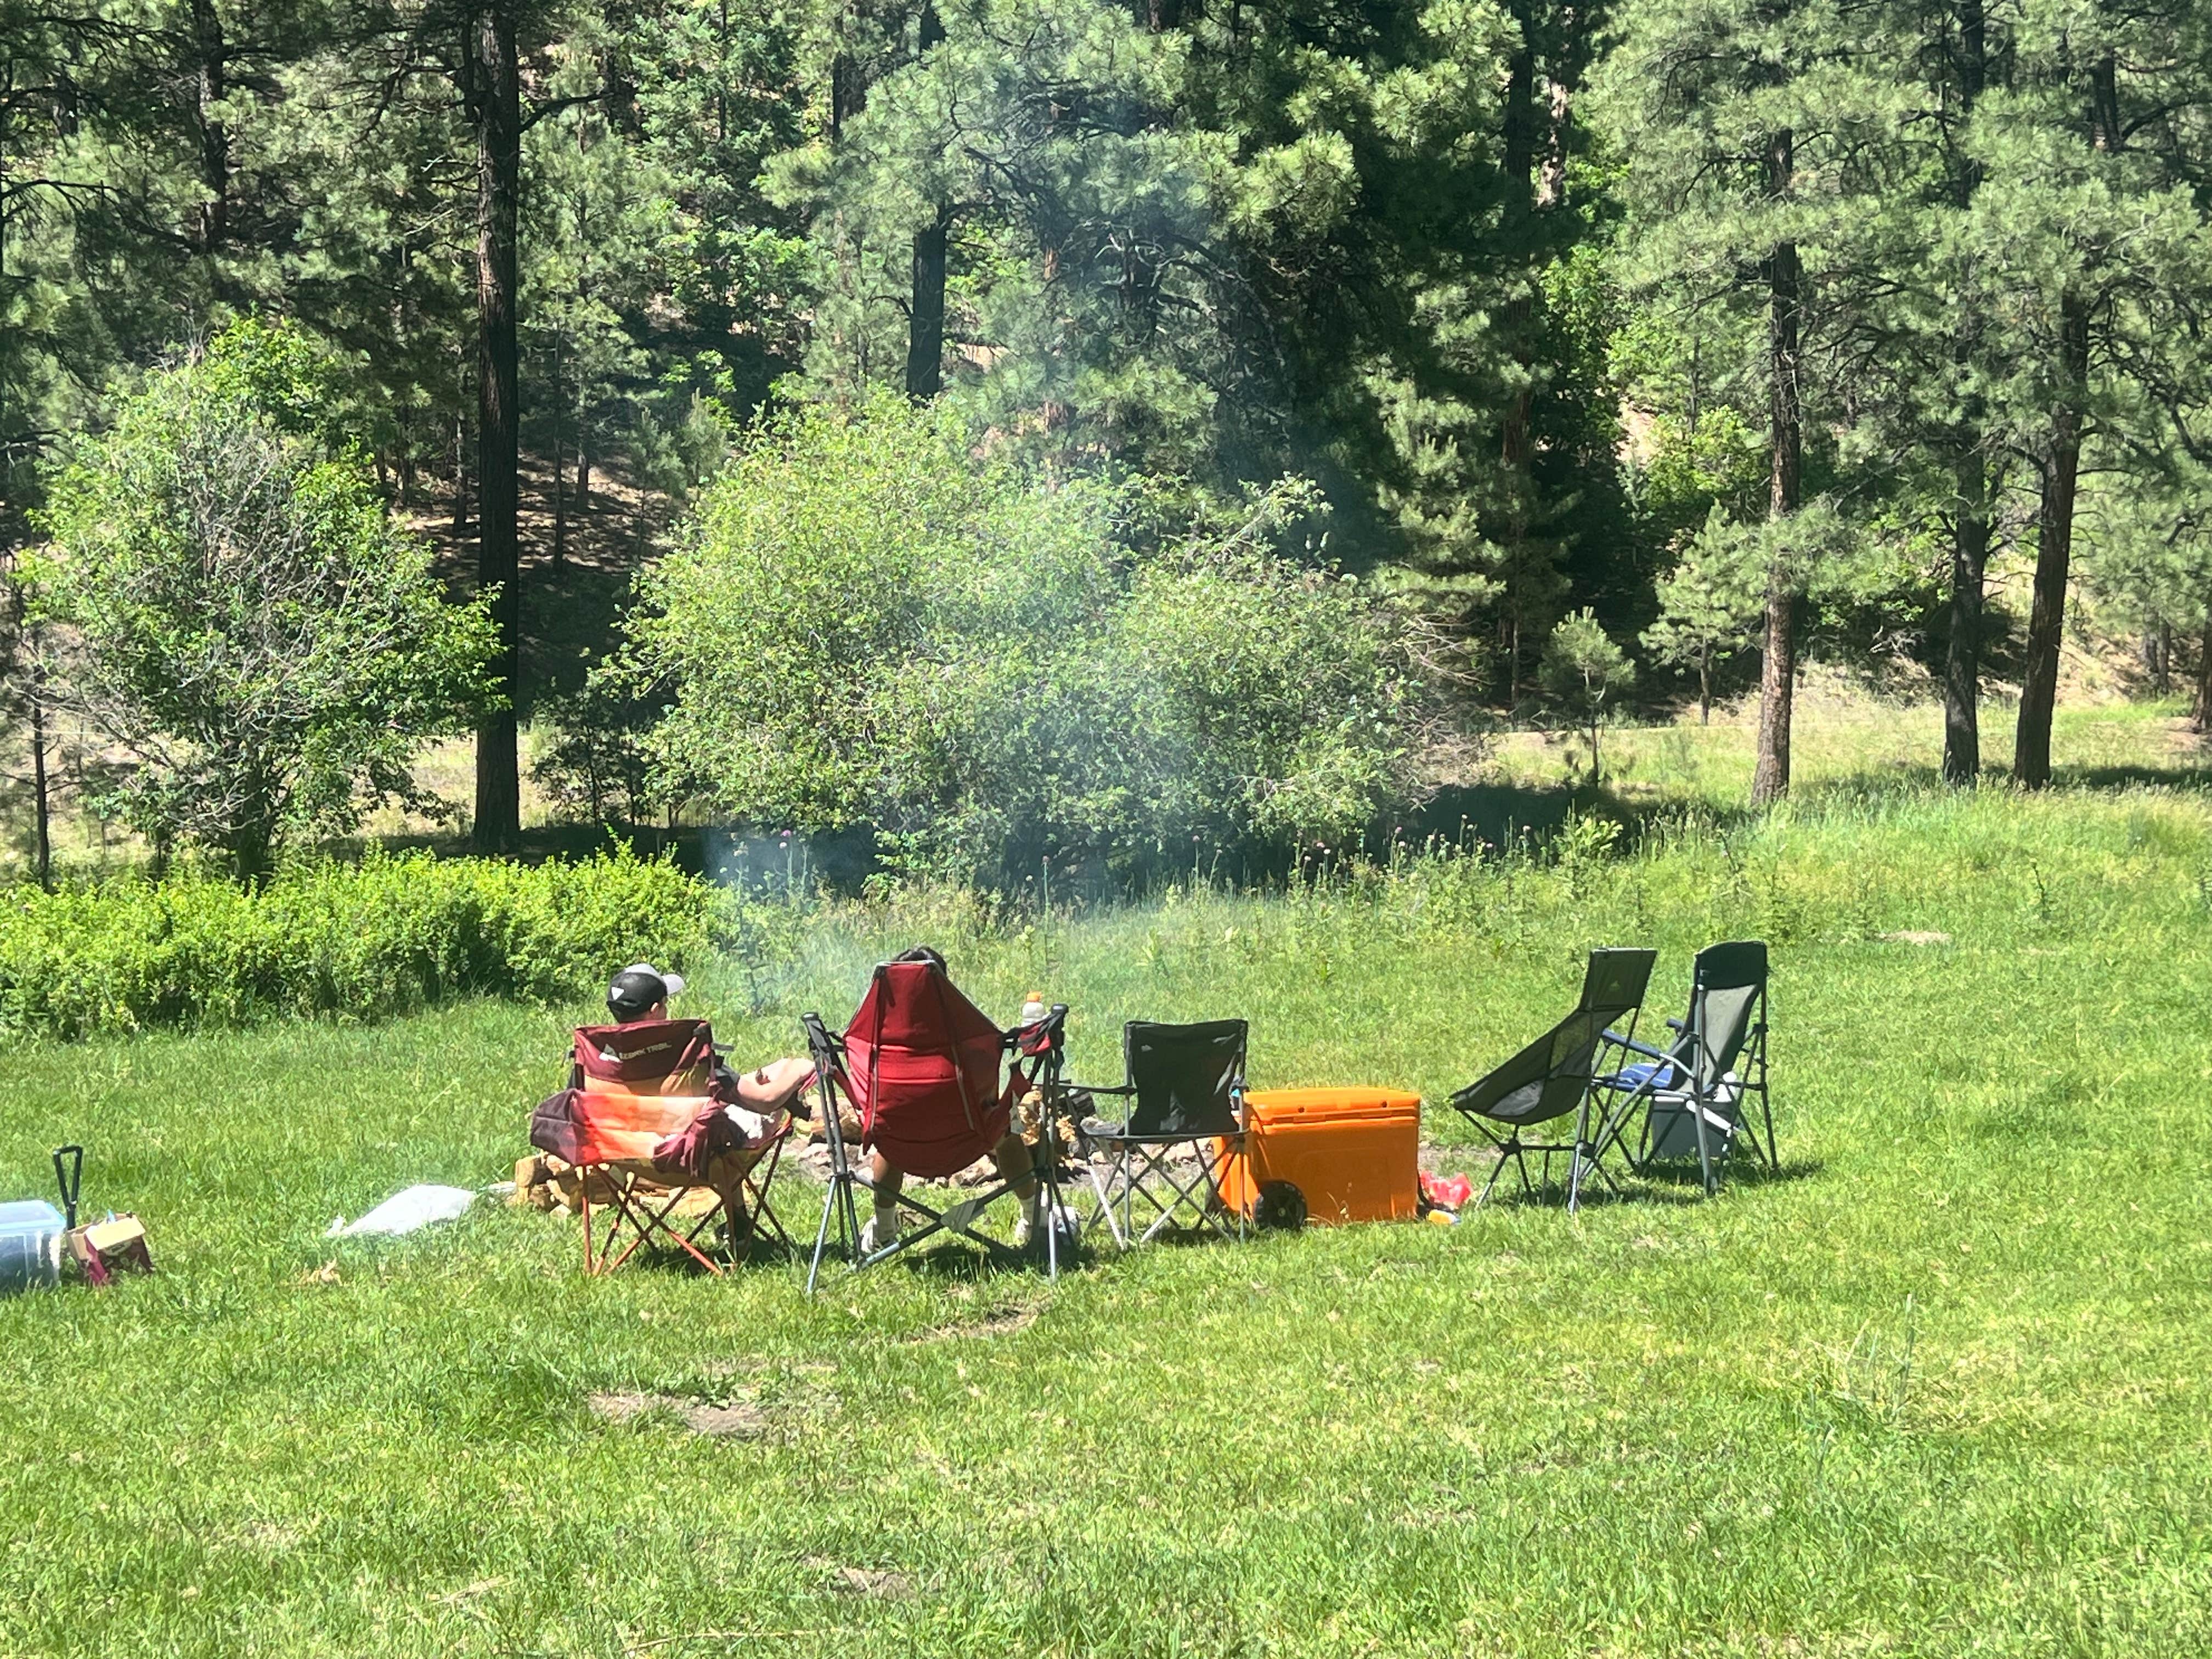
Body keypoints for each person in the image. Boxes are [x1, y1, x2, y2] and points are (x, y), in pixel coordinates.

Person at [602, 962, 814, 1128]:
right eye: (665, 1004)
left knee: (778, 1068)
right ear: (655, 1009)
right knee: (784, 1072)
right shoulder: (686, 1052)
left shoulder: (600, 1058)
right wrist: (798, 1071)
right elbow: (766, 1100)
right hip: (687, 1154)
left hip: (632, 1152)